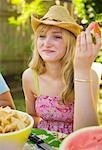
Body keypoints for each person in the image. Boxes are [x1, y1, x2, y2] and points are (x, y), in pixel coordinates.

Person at [22, 5, 101, 134]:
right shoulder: (30, 76)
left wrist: (82, 72)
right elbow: (32, 117)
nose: (46, 43)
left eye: (57, 37)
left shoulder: (89, 75)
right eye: (42, 36)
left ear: (69, 43)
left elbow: (89, 133)